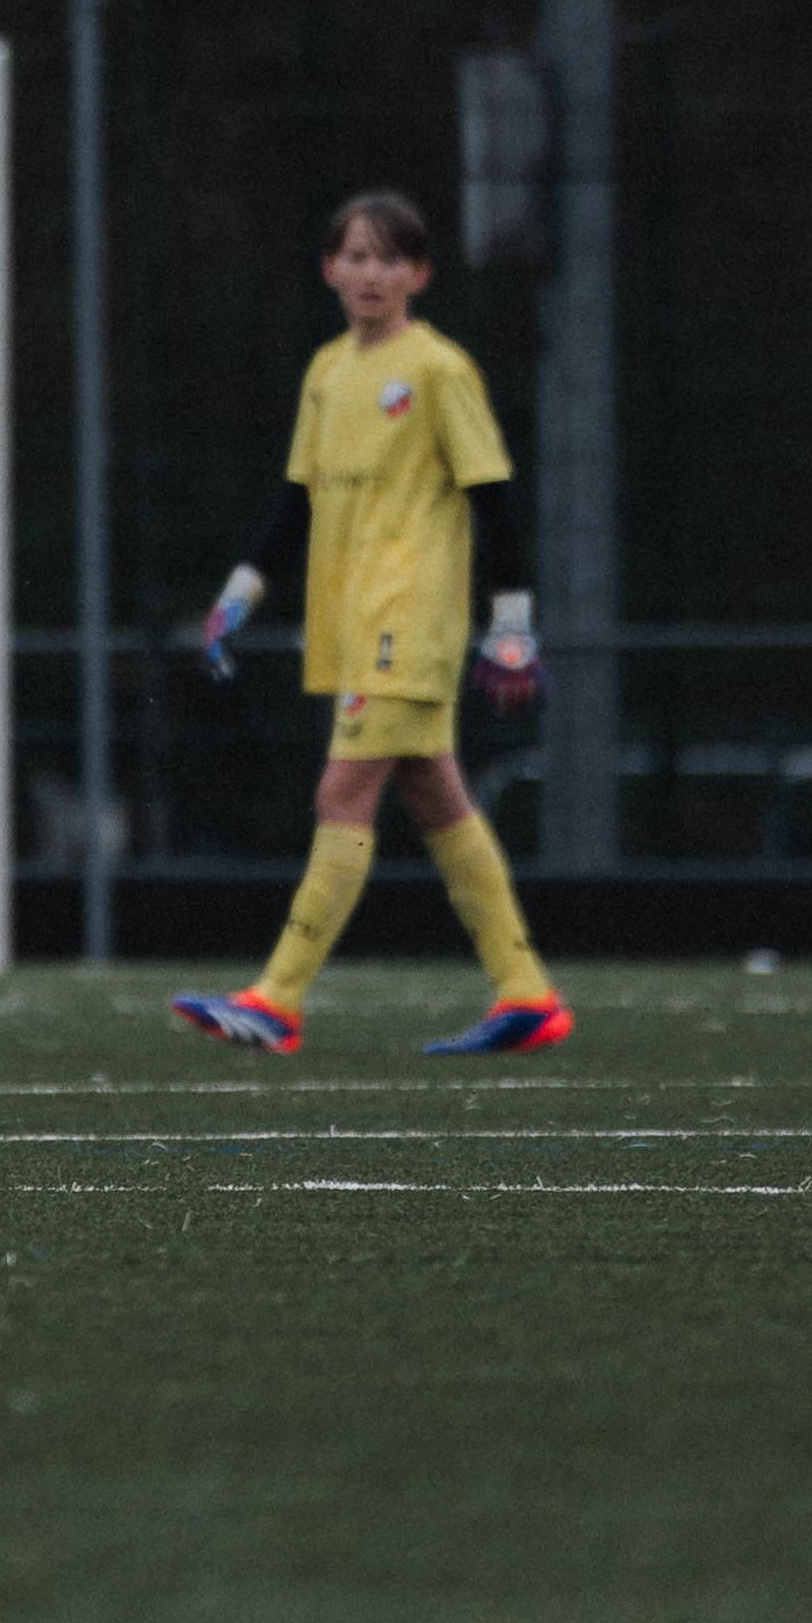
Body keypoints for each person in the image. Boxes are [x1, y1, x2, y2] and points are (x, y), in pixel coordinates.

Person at [168, 189, 569, 1058]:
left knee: (341, 794)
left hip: (409, 614)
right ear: (329, 269)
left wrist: (512, 622)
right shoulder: (326, 370)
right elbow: (297, 500)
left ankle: (276, 999)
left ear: (419, 274)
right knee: (438, 800)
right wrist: (242, 589)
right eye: (355, 255)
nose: (371, 273)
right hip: (347, 617)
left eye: (391, 258)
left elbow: (492, 496)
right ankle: (527, 992)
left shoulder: (438, 369)